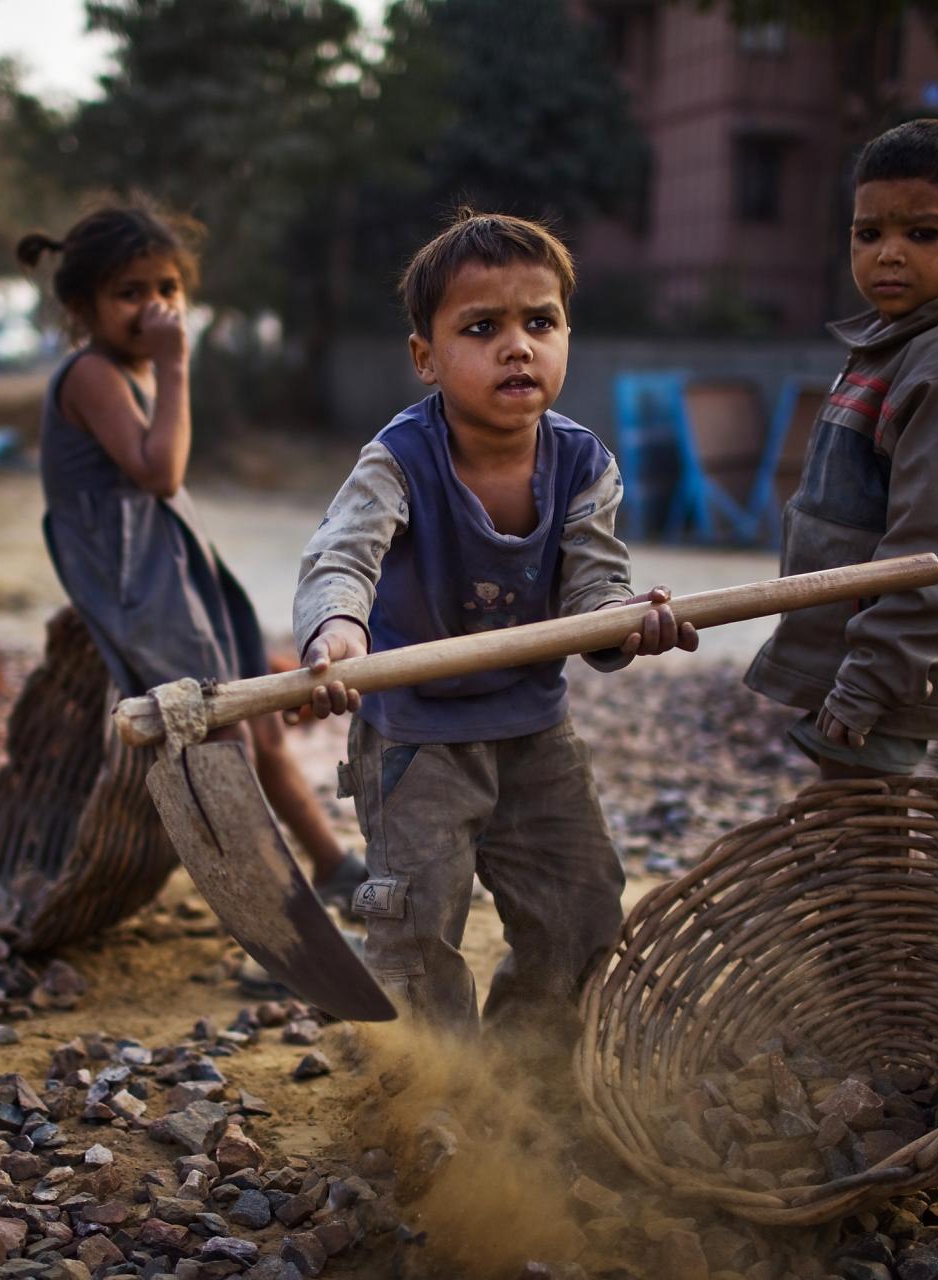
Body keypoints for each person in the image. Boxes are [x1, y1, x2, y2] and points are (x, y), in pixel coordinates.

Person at [293, 210, 696, 1040]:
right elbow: (341, 555)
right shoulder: (400, 459)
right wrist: (337, 628)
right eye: (483, 328)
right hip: (416, 739)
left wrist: (622, 623)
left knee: (580, 907)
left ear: (567, 335)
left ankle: (526, 1079)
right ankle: (429, 1099)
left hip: (534, 733)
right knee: (414, 928)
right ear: (426, 359)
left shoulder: (585, 463)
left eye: (540, 323)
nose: (519, 346)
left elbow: (594, 589)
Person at [18, 204, 366, 906]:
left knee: (257, 723)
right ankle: (272, 900)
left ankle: (329, 864)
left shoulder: (133, 369)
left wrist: (166, 369)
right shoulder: (92, 374)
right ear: (84, 308)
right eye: (131, 293)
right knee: (216, 740)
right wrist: (177, 366)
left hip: (176, 574)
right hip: (139, 587)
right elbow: (159, 472)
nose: (155, 308)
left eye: (168, 290)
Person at [745, 118, 938, 780]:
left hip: (889, 677)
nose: (889, 253)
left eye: (921, 233)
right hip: (855, 661)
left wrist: (870, 680)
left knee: (870, 843)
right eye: (870, 234)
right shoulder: (891, 347)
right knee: (850, 837)